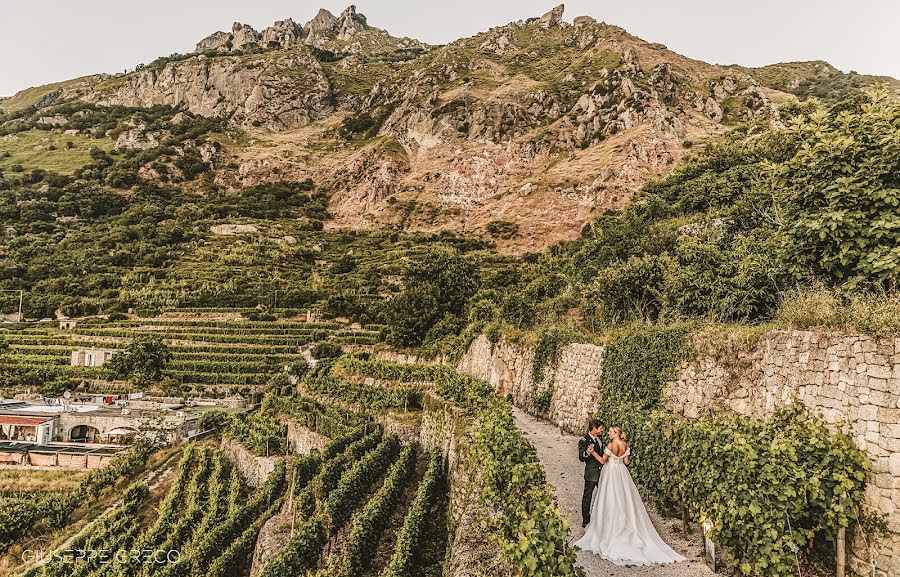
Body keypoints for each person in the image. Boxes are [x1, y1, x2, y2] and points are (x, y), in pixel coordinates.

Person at [574, 426, 686, 566]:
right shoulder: (625, 445)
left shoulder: (610, 445)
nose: (608, 433)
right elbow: (626, 461)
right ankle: (628, 525)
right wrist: (619, 458)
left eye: (610, 431)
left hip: (611, 473)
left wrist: (592, 452)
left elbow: (603, 461)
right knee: (625, 498)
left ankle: (609, 527)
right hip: (622, 472)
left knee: (610, 498)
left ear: (616, 434)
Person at [577, 419, 605, 527]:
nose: (602, 430)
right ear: (594, 428)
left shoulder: (600, 438)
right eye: (600, 428)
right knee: (587, 496)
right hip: (591, 473)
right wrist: (588, 452)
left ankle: (602, 519)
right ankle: (586, 521)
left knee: (605, 495)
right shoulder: (584, 441)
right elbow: (581, 457)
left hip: (602, 472)